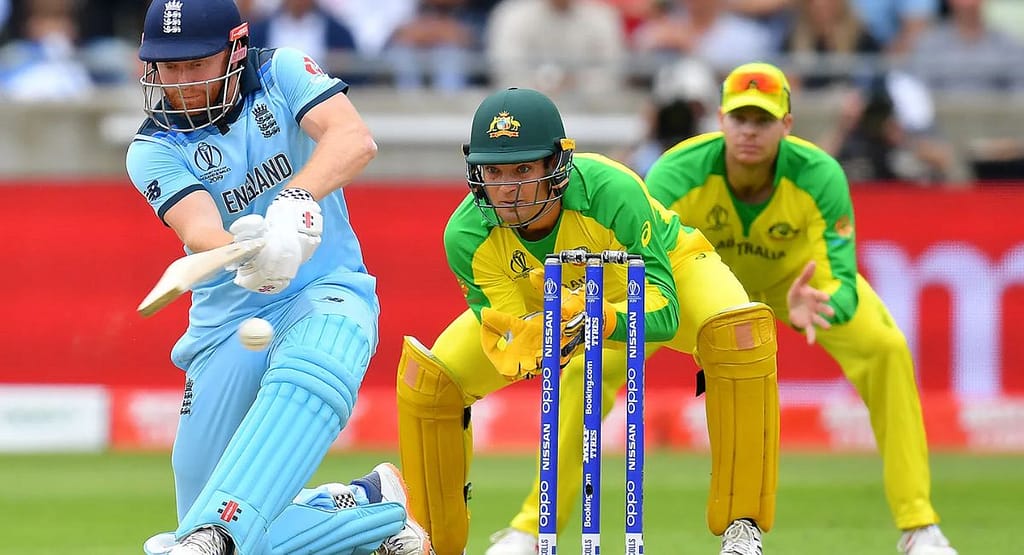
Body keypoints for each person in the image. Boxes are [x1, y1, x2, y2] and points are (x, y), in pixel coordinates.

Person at [397, 86, 781, 555]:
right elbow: (512, 336)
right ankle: (430, 540)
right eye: (494, 171)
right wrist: (542, 339)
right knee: (432, 382)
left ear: (556, 167)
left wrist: (597, 319)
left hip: (668, 274)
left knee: (738, 333)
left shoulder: (612, 191)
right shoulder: (466, 236)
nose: (508, 189)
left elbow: (664, 312)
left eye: (523, 169)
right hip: (558, 301)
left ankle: (741, 526)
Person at [124, 1, 431, 554]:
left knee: (213, 533)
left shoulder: (280, 71)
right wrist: (250, 250)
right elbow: (199, 229)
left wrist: (296, 199)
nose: (180, 82)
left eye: (195, 64)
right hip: (225, 326)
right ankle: (372, 512)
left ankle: (219, 536)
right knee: (204, 521)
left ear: (236, 48)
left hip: (326, 291)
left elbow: (352, 138)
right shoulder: (152, 147)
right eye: (167, 68)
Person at [644, 62, 958, 555]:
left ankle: (919, 526)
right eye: (740, 119)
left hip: (799, 286)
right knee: (601, 354)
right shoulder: (675, 174)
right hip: (707, 291)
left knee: (886, 349)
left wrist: (815, 306)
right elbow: (648, 269)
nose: (750, 131)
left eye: (763, 120)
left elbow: (841, 278)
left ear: (786, 125)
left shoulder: (818, 174)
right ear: (720, 121)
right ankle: (535, 525)